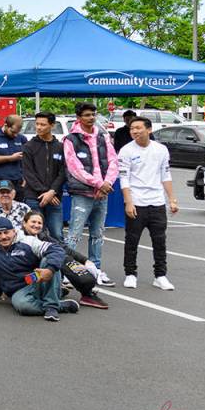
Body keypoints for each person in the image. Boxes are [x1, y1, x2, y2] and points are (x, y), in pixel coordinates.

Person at [0, 217, 80, 322]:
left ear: (13, 231)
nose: (3, 237)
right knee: (22, 306)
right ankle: (61, 304)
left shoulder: (28, 241)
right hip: (17, 289)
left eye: (6, 232)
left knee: (49, 259)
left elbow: (57, 250)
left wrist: (50, 270)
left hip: (34, 279)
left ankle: (52, 306)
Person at [118, 116, 178, 290]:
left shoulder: (161, 150)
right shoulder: (126, 151)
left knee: (160, 241)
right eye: (131, 129)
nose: (134, 131)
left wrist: (172, 200)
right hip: (136, 202)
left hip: (157, 203)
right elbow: (124, 178)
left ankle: (160, 275)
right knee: (132, 240)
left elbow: (166, 175)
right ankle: (130, 274)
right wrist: (129, 202)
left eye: (138, 128)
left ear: (149, 130)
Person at [63, 102, 119, 287]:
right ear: (79, 117)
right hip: (82, 193)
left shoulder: (103, 137)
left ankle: (95, 270)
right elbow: (74, 168)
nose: (91, 118)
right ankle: (67, 271)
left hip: (102, 193)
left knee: (97, 234)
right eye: (86, 115)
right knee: (74, 234)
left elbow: (113, 161)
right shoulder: (71, 139)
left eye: (93, 114)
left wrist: (107, 183)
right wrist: (98, 183)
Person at [20, 212, 108, 309]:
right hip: (25, 279)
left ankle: (86, 294)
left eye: (39, 223)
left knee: (61, 256)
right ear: (24, 223)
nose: (36, 225)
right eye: (33, 222)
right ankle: (52, 293)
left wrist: (85, 261)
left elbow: (62, 248)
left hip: (43, 275)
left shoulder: (43, 236)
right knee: (51, 258)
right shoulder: (18, 240)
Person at [21, 112, 66, 241]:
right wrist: (44, 192)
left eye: (43, 124)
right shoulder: (29, 147)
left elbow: (63, 172)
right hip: (34, 198)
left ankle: (56, 261)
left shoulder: (60, 147)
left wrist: (52, 192)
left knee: (57, 235)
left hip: (55, 198)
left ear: (52, 125)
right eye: (37, 124)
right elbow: (28, 173)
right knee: (34, 236)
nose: (39, 127)